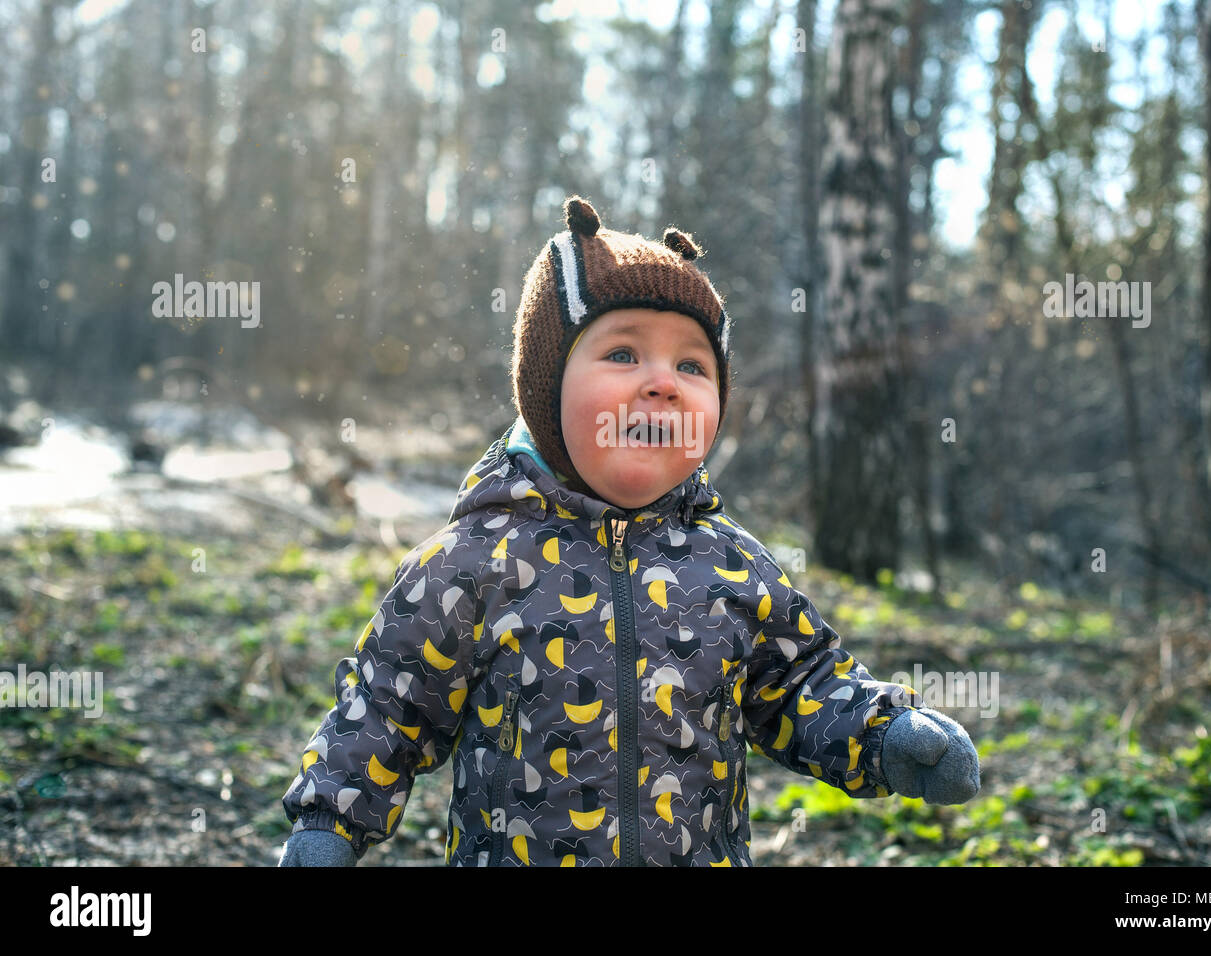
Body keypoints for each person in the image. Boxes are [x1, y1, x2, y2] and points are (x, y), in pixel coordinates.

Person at [278, 196, 979, 866]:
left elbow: (802, 683)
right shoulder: (472, 562)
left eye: (692, 365)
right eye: (622, 354)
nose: (662, 382)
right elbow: (387, 704)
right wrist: (329, 821)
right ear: (545, 389)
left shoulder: (734, 568)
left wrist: (885, 734)